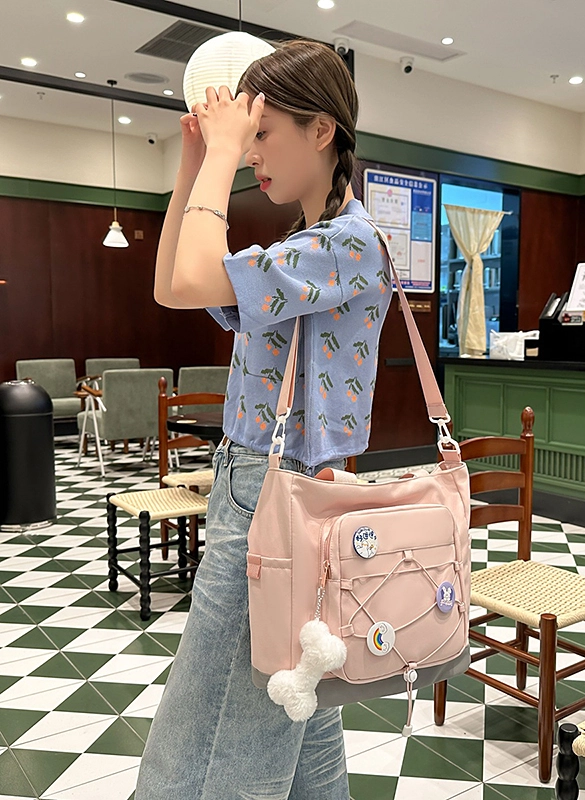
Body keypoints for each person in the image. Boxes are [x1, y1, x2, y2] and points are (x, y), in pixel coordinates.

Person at [141, 40, 391, 799]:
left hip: (274, 496)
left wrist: (218, 155)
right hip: (271, 489)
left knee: (205, 745)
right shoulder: (305, 247)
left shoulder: (346, 244)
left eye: (262, 133)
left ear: (322, 131)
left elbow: (191, 278)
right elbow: (172, 285)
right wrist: (196, 160)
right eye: (246, 139)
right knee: (297, 716)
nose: (251, 153)